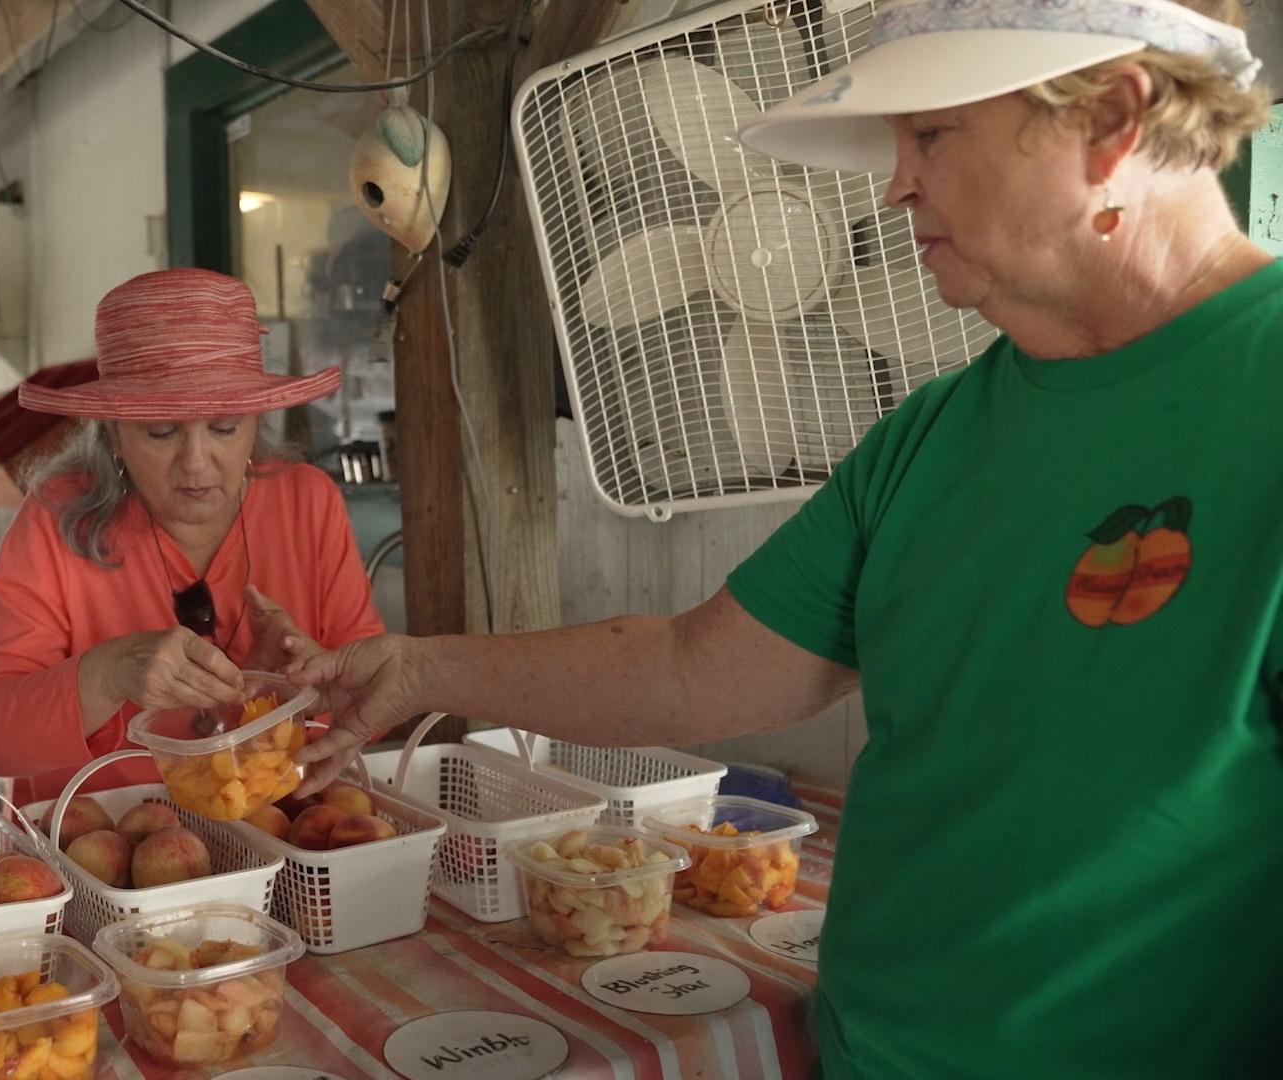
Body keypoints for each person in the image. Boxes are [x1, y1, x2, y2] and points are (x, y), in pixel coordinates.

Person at [291, 1, 1282, 1076]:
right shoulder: (932, 433)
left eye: (933, 135)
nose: (894, 187)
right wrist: (417, 669)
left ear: (1113, 119)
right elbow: (693, 668)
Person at [0, 268, 384, 801]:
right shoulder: (55, 520)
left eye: (224, 428)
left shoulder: (306, 502)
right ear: (114, 435)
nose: (197, 463)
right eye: (161, 432)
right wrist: (108, 674)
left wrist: (308, 679)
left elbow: (374, 705)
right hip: (97, 837)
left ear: (256, 420)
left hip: (279, 825)